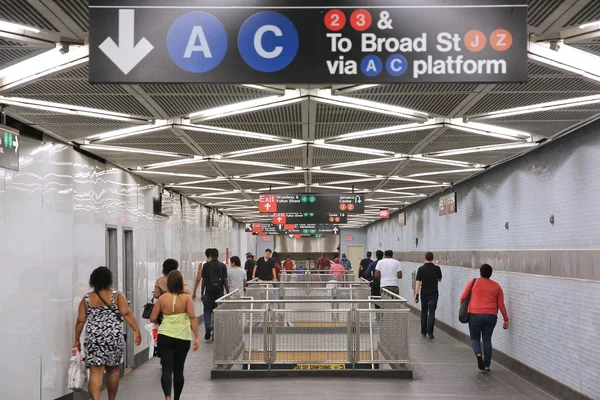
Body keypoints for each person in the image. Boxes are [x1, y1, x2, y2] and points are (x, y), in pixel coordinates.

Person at [74, 267, 141, 400]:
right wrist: (136, 330)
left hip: (94, 337)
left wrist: (76, 339)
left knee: (96, 370)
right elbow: (126, 313)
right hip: (113, 336)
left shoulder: (87, 299)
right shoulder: (117, 295)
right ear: (109, 279)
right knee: (113, 370)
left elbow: (81, 320)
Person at [150, 270, 199, 400]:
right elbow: (193, 317)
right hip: (183, 338)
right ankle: (177, 398)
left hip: (165, 336)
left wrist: (162, 320)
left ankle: (167, 396)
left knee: (166, 369)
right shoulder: (187, 298)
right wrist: (197, 337)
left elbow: (152, 317)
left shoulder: (162, 299)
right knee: (179, 371)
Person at [460, 264, 509, 372]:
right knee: (487, 339)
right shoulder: (497, 286)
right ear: (490, 274)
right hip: (491, 316)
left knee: (474, 338)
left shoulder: (474, 282)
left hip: (475, 315)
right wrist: (505, 319)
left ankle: (478, 354)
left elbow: (463, 297)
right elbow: (501, 304)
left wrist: (462, 307)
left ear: (480, 272)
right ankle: (486, 365)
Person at [200, 248, 229, 340]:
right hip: (219, 293)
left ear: (210, 256)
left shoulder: (206, 266)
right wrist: (228, 293)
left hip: (209, 292)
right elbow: (225, 281)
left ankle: (208, 325)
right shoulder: (223, 266)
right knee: (218, 312)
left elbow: (203, 280)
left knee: (207, 311)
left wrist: (201, 293)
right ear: (218, 255)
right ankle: (215, 331)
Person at [414, 252, 443, 339]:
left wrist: (416, 295)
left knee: (424, 312)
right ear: (432, 258)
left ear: (425, 258)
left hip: (424, 293)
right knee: (432, 313)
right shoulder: (437, 268)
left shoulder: (421, 269)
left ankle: (423, 331)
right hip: (434, 293)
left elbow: (418, 283)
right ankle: (430, 333)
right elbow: (439, 279)